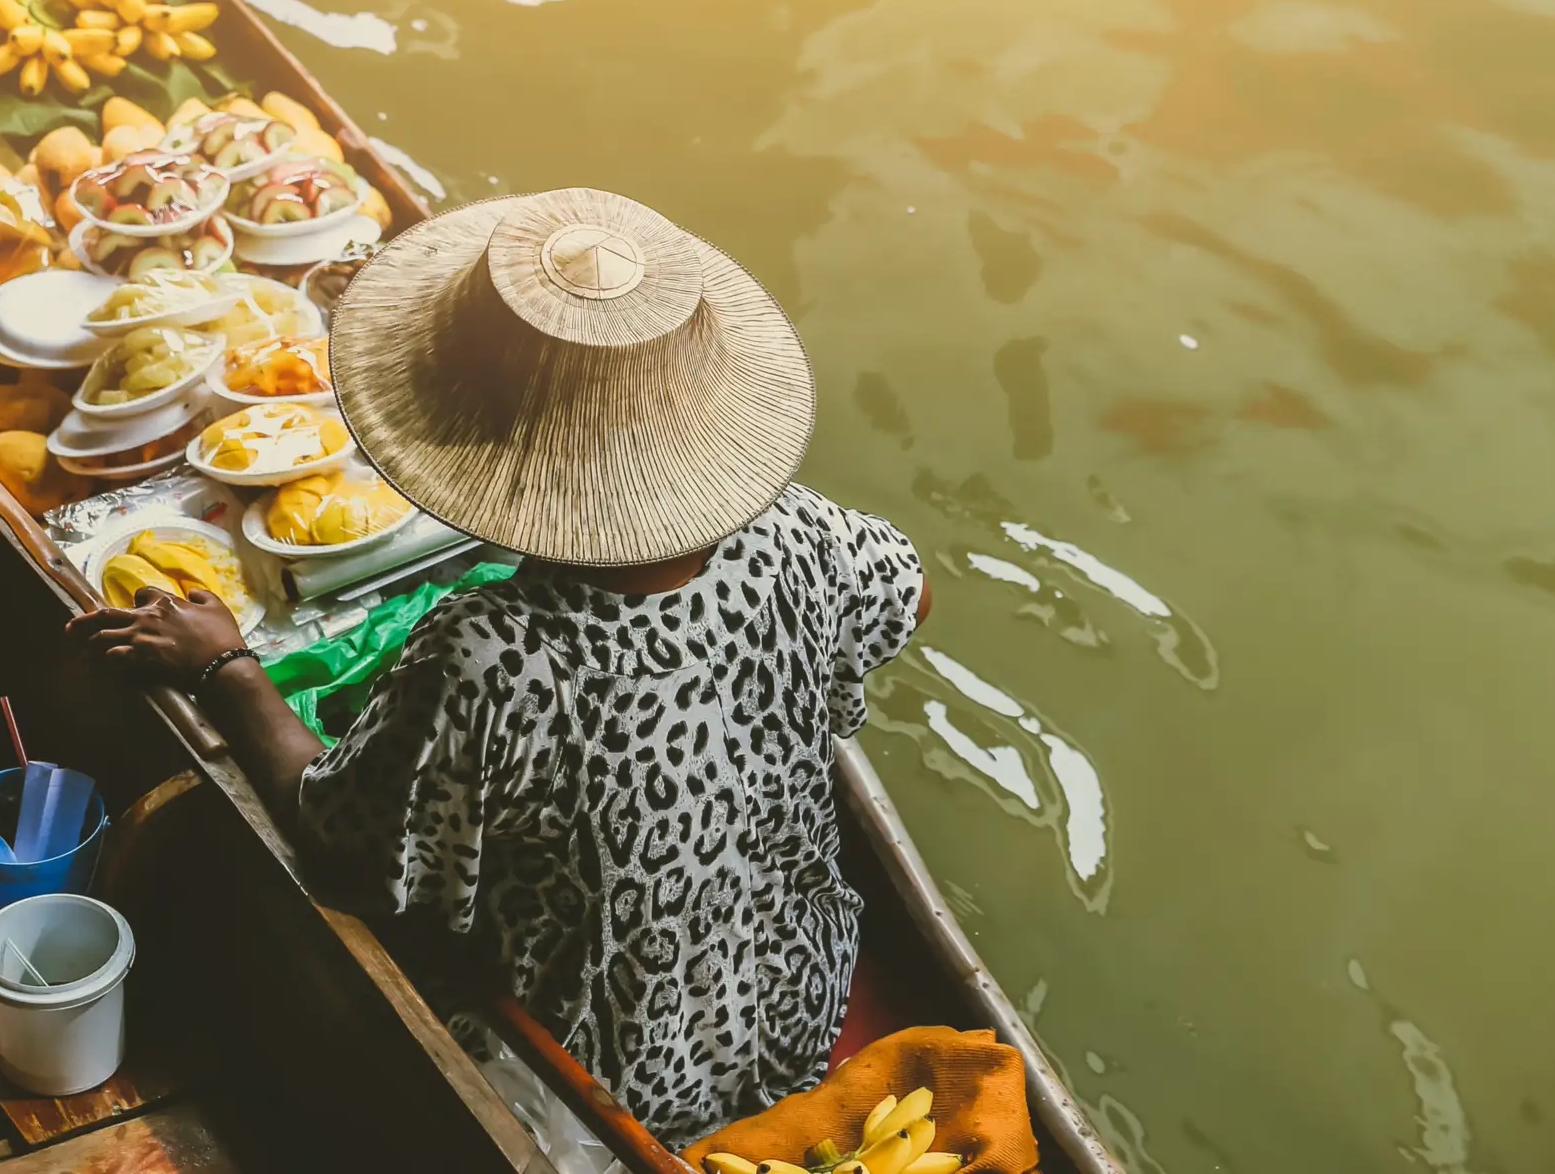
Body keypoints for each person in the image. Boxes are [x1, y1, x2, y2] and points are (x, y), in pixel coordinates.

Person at [70, 187, 928, 1145]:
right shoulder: (805, 530)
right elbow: (913, 592)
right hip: (800, 999)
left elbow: (343, 841)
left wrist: (228, 666)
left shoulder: (493, 651)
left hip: (607, 1077)